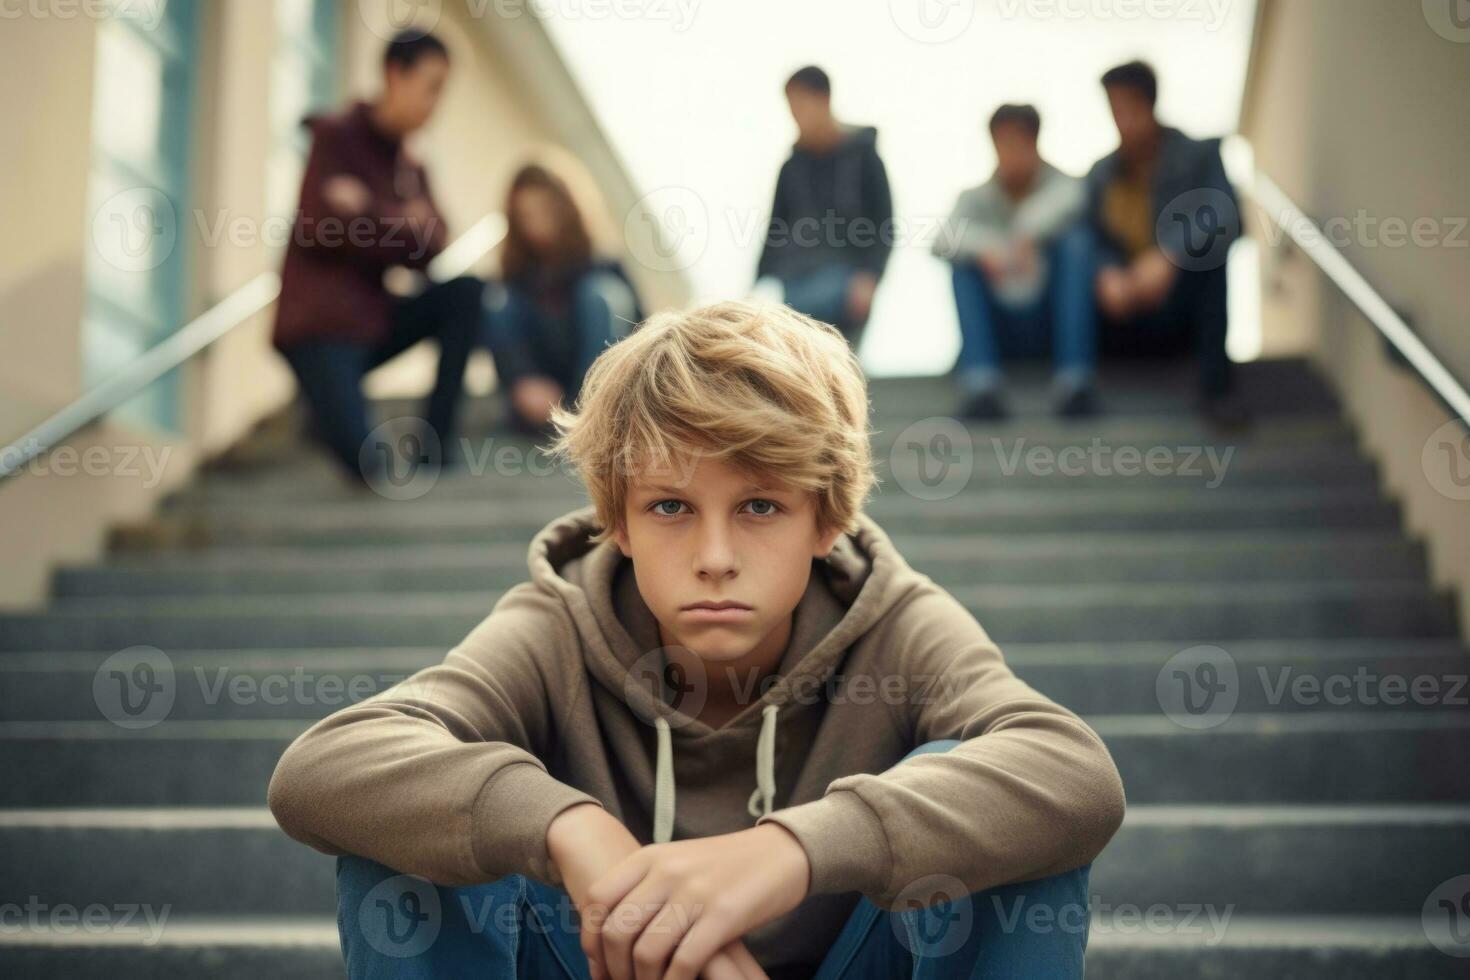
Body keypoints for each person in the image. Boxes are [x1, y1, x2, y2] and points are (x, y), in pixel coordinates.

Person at [268, 300, 1127, 978]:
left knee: (1005, 822)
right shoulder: (559, 624)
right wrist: (578, 833)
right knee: (416, 842)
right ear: (620, 523)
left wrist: (787, 852)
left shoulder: (896, 621)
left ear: (826, 517)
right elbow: (328, 764)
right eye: (671, 507)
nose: (715, 559)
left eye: (760, 506)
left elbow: (1071, 771)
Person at [271, 31, 483, 485]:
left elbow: (433, 245)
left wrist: (365, 210)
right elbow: (320, 227)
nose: (435, 102)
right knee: (370, 467)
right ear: (394, 74)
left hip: (373, 323)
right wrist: (400, 221)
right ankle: (323, 405)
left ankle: (436, 444)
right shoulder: (335, 136)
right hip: (320, 330)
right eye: (431, 86)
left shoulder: (412, 165)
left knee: (467, 294)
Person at [1084, 60, 1250, 428]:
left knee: (1211, 257)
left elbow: (1228, 216)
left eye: (1129, 108)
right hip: (1120, 314)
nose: (1122, 120)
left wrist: (1170, 256)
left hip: (1179, 309)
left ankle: (1217, 391)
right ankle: (1073, 385)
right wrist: (1107, 273)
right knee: (1072, 253)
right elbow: (1089, 236)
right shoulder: (1101, 175)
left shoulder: (1198, 156)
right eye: (1114, 110)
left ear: (1150, 104)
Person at [934, 104, 1099, 420]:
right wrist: (988, 249)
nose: (1010, 153)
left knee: (1076, 242)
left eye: (1018, 143)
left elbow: (1074, 198)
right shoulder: (975, 198)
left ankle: (1075, 381)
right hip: (1002, 327)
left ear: (1035, 143)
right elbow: (941, 239)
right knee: (963, 264)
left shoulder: (1061, 185)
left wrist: (1026, 234)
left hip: (1049, 323)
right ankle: (982, 385)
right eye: (1003, 143)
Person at [482, 163, 643, 436]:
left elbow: (644, 330)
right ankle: (533, 400)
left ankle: (593, 411)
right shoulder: (515, 280)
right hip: (542, 390)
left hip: (593, 386)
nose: (536, 224)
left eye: (544, 210)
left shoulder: (603, 265)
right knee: (496, 299)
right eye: (526, 215)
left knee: (599, 293)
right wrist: (524, 380)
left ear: (565, 209)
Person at [756, 66, 894, 349]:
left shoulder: (864, 157)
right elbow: (776, 228)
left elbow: (884, 225)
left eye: (801, 106)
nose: (796, 117)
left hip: (845, 281)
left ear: (824, 100)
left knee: (832, 358)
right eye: (792, 109)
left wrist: (870, 277)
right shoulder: (792, 167)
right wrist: (755, 287)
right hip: (795, 281)